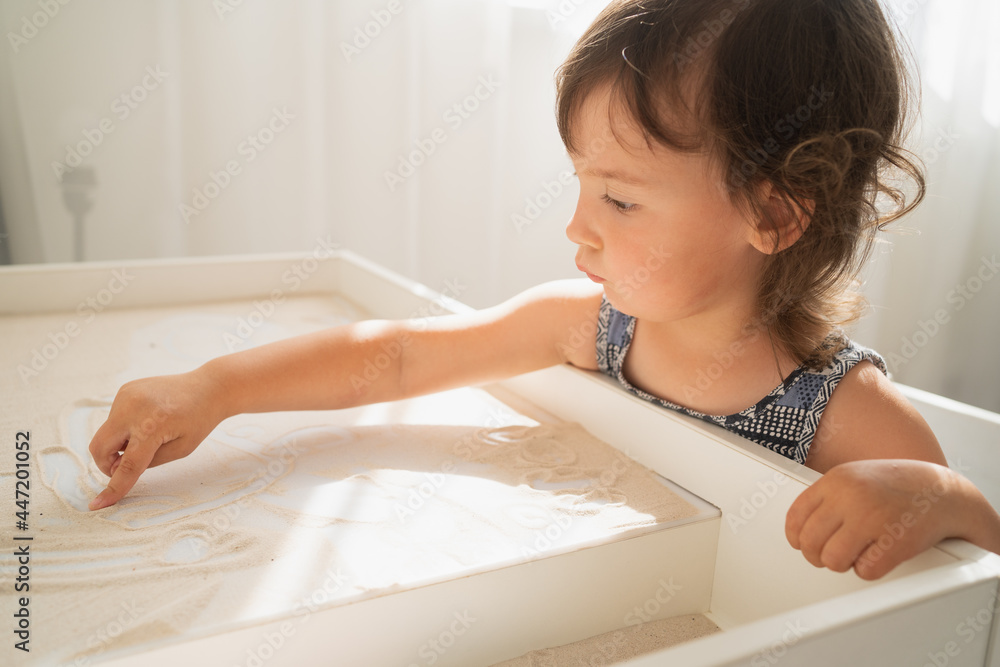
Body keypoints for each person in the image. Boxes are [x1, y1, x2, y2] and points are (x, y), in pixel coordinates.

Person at [88, 0, 1000, 580]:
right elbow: (398, 356)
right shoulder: (591, 329)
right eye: (579, 184)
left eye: (619, 197)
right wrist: (218, 387)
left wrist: (941, 497)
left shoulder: (846, 414)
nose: (577, 226)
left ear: (775, 214)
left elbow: (983, 565)